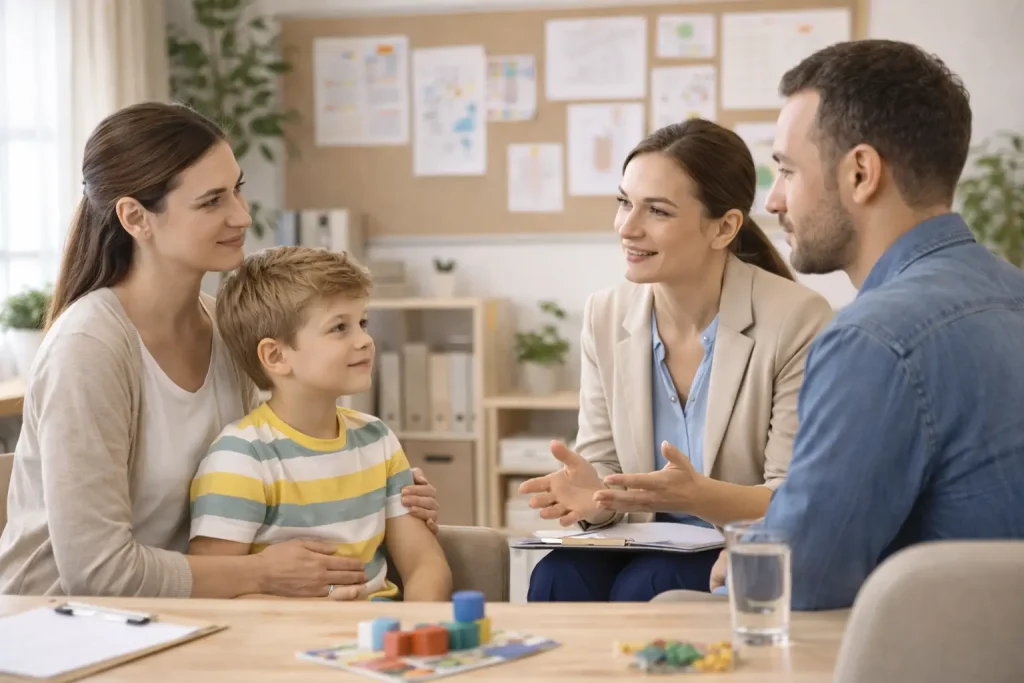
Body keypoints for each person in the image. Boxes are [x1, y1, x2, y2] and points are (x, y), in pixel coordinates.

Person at [0, 102, 440, 598]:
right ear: (135, 217)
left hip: (190, 611)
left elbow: (267, 456)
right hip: (66, 623)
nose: (242, 216)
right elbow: (98, 573)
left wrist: (376, 486)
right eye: (212, 201)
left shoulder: (222, 326)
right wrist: (262, 573)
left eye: (238, 189)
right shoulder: (88, 349)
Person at [694, 39, 1024, 610]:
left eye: (787, 171)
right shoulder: (1010, 291)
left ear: (862, 173)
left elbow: (800, 580)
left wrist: (754, 555)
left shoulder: (874, 340)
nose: (772, 202)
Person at [521, 119, 834, 602]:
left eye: (657, 211)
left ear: (724, 227)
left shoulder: (796, 319)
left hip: (737, 543)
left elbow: (792, 494)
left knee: (644, 585)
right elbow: (603, 462)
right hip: (641, 538)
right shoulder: (605, 314)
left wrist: (696, 495)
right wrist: (594, 497)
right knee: (556, 575)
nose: (627, 227)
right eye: (624, 202)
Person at [188, 247, 453, 602]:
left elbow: (425, 564)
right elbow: (215, 591)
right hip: (288, 644)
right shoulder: (242, 457)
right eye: (339, 327)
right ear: (276, 356)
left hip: (383, 638)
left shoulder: (377, 439)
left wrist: (418, 633)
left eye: (362, 323)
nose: (364, 340)